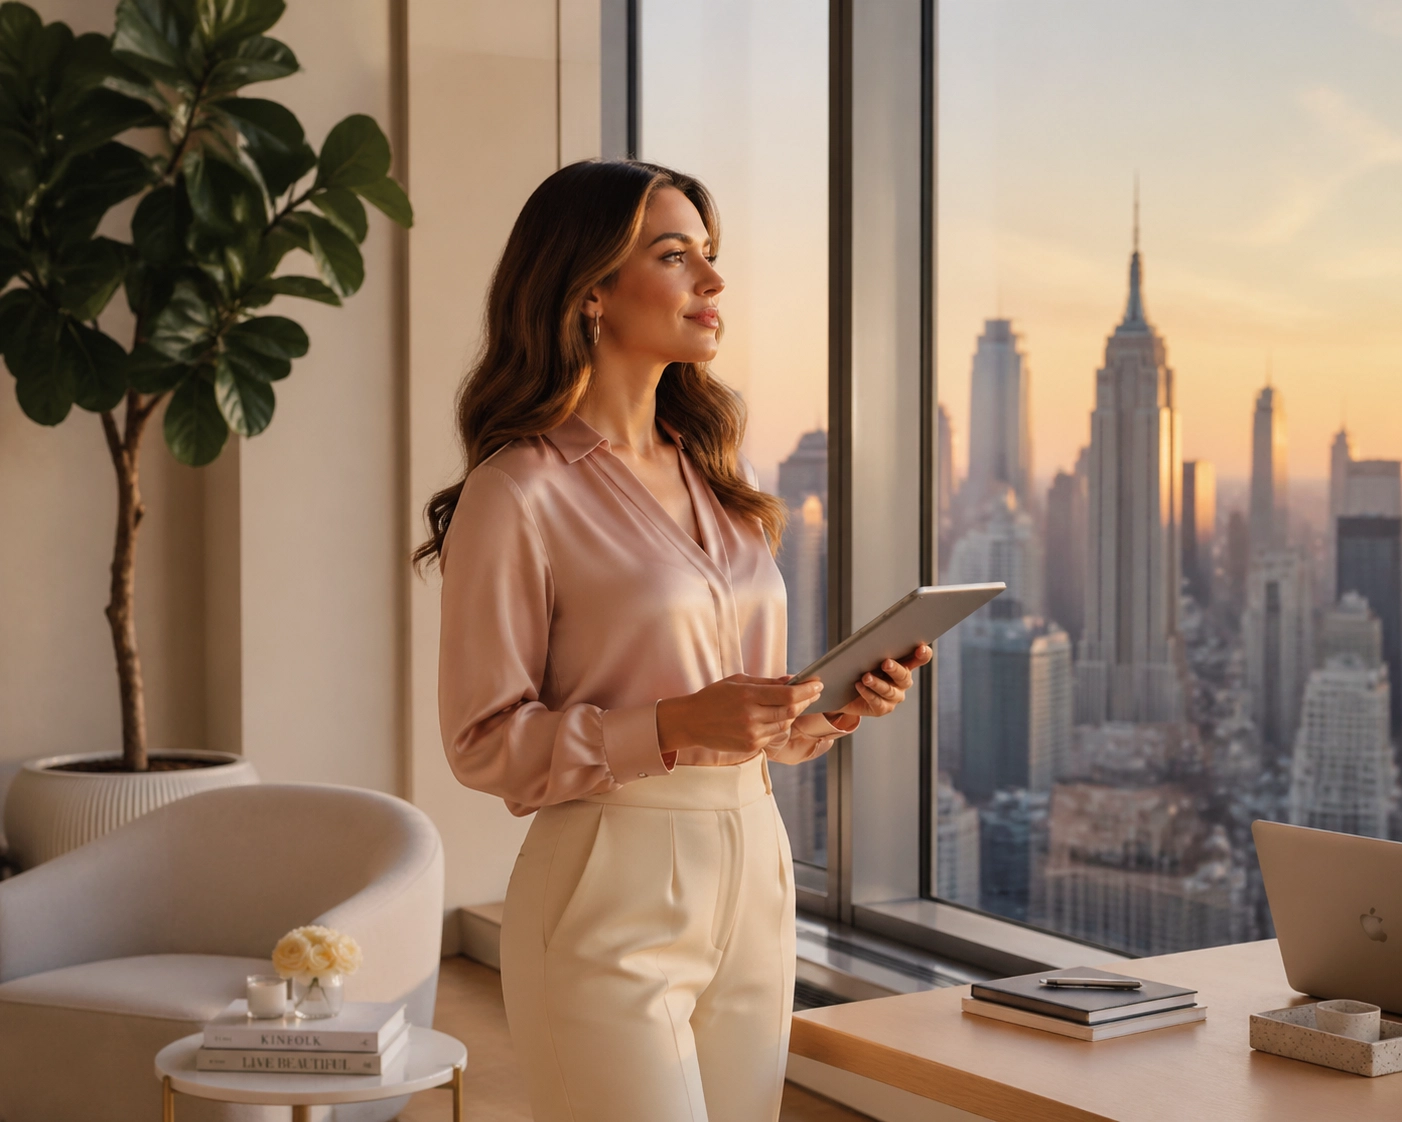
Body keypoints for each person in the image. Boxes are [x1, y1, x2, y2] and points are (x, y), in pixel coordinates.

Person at [421, 160, 930, 1122]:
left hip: (755, 874)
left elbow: (742, 727)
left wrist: (824, 711)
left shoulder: (721, 486)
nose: (712, 279)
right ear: (590, 294)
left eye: (711, 253)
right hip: (608, 888)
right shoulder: (518, 491)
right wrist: (667, 725)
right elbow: (483, 742)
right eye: (674, 254)